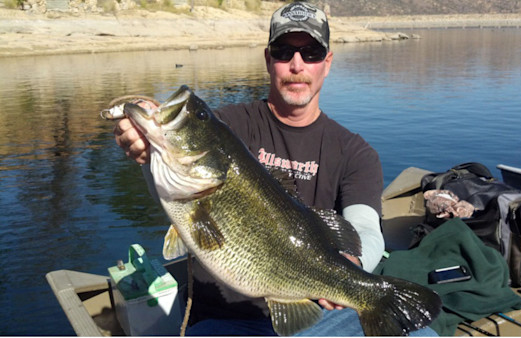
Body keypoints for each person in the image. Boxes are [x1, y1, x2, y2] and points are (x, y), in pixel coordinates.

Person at [114, 2, 436, 336]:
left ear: (327, 63)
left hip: (316, 315)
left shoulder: (355, 153)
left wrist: (351, 269)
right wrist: (144, 151)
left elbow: (366, 230)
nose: (297, 65)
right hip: (223, 319)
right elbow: (171, 185)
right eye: (284, 52)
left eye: (311, 53)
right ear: (268, 60)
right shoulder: (229, 126)